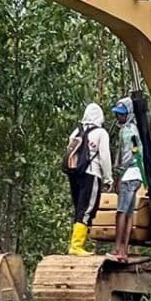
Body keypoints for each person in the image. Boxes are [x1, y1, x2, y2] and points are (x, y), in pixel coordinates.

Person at [65, 103, 112, 256]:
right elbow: (105, 157)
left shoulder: (76, 132)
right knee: (86, 209)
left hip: (75, 174)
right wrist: (108, 178)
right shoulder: (101, 133)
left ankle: (76, 244)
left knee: (79, 208)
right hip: (92, 174)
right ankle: (76, 246)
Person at [111, 97, 143, 262]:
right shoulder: (135, 130)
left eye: (122, 114)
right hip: (136, 176)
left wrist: (118, 175)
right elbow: (138, 154)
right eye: (118, 114)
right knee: (129, 213)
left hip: (128, 176)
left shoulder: (126, 132)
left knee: (121, 213)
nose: (119, 117)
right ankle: (125, 250)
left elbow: (128, 156)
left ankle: (118, 249)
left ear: (129, 114)